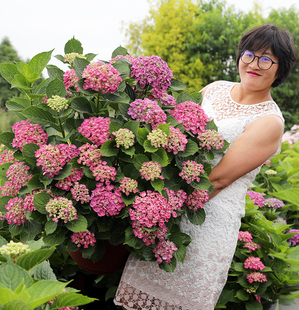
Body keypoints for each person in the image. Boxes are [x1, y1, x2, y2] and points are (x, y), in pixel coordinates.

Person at [114, 24, 297, 310]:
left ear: (280, 69)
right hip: (170, 202)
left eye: (266, 59)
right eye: (249, 54)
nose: (254, 64)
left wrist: (160, 211)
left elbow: (220, 178)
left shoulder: (270, 122)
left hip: (206, 221)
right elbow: (175, 130)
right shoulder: (214, 90)